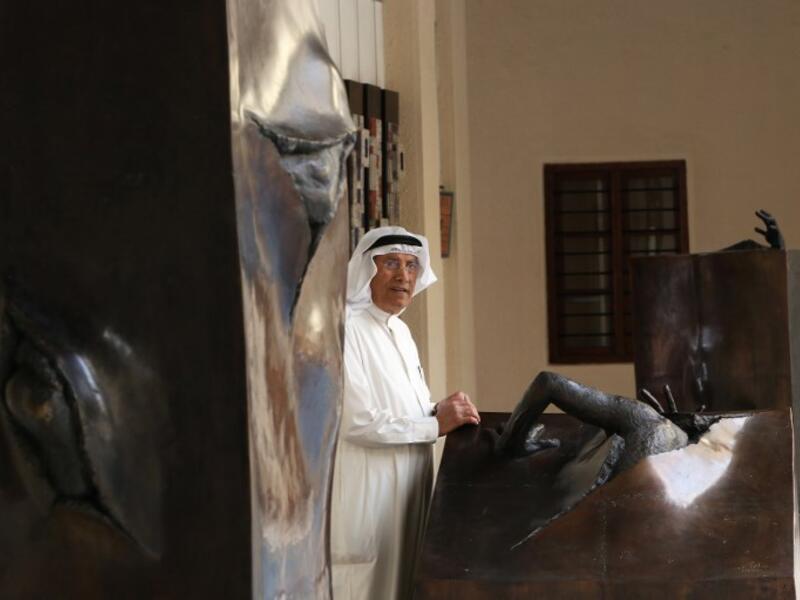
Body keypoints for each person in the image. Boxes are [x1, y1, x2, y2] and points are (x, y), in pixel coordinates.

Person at [331, 226, 480, 600]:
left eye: (412, 265)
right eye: (391, 263)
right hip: (368, 499)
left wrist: (439, 410)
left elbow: (401, 411)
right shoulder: (348, 329)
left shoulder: (400, 332)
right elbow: (357, 421)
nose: (404, 276)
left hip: (406, 496)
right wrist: (434, 423)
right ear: (368, 269)